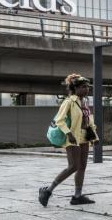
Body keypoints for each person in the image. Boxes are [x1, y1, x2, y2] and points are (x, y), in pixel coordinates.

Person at [38, 73, 99, 207]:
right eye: (83, 87)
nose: (86, 89)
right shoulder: (68, 102)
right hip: (72, 137)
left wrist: (95, 136)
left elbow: (89, 120)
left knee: (82, 166)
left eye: (87, 87)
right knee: (73, 166)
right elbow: (59, 120)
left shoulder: (84, 102)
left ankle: (77, 196)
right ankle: (47, 191)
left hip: (84, 137)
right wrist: (68, 133)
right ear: (75, 88)